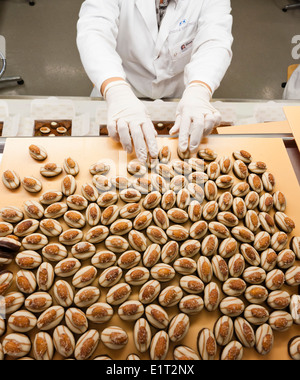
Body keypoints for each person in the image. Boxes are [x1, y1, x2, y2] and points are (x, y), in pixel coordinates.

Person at [77, 0, 233, 162]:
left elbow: (214, 40)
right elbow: (94, 32)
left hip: (179, 100)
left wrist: (199, 89)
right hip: (120, 96)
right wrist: (116, 90)